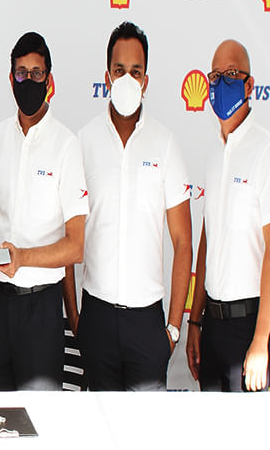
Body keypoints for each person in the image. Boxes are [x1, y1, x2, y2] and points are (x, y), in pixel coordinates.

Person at [74, 22, 192, 391]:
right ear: (107, 77)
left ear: (146, 81)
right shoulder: (83, 142)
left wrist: (173, 328)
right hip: (96, 317)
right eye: (120, 70)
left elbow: (183, 242)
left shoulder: (165, 144)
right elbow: (66, 234)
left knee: (146, 425)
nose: (127, 79)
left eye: (136, 71)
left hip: (148, 324)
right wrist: (75, 318)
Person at [0, 32, 88, 391]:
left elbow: (76, 246)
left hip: (41, 307)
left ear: (49, 80)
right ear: (11, 79)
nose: (28, 81)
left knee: (40, 418)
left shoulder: (67, 145)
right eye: (21, 73)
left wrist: (22, 257)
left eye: (36, 73)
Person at [186, 39, 270, 392]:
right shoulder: (214, 152)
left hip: (247, 327)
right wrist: (194, 322)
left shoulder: (267, 151)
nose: (220, 83)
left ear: (249, 85)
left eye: (231, 73)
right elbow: (207, 238)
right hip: (211, 325)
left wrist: (260, 341)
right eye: (215, 76)